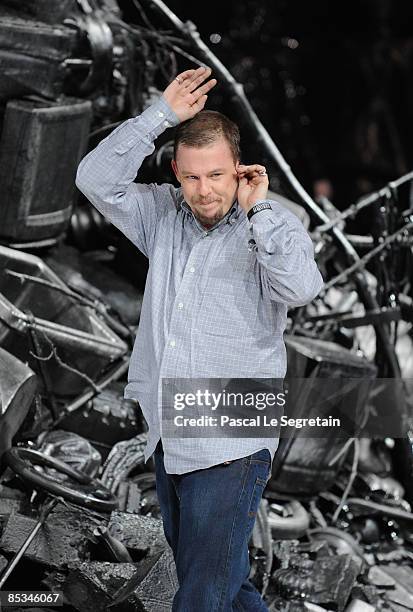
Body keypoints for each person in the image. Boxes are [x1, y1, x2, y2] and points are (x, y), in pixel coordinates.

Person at [76, 66, 324, 611]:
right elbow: (94, 179)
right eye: (191, 177)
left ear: (239, 170)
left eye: (215, 176)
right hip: (173, 428)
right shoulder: (163, 215)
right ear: (176, 172)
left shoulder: (270, 225)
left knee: (200, 599)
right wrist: (160, 116)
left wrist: (257, 209)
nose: (204, 190)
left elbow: (303, 287)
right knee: (224, 587)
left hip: (231, 438)